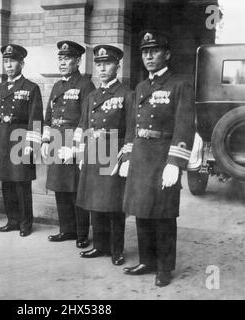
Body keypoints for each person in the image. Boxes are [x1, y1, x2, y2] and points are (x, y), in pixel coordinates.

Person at [120, 30, 195, 287]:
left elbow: (185, 126)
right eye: (145, 52)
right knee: (142, 210)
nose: (149, 56)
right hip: (141, 154)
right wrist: (128, 155)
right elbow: (132, 126)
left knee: (163, 214)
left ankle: (164, 267)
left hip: (164, 155)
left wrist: (175, 163)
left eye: (154, 51)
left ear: (167, 54)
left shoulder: (180, 84)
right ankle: (146, 261)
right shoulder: (141, 87)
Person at [75, 45, 133, 266]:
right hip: (93, 150)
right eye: (98, 64)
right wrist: (81, 152)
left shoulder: (126, 94)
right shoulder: (92, 96)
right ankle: (99, 245)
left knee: (114, 204)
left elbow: (131, 129)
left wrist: (126, 157)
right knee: (94, 201)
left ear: (117, 66)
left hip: (112, 150)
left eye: (107, 64)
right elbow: (83, 124)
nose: (102, 68)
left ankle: (116, 250)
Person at [41, 40, 95, 248]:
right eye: (60, 59)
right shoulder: (57, 86)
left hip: (73, 141)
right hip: (55, 139)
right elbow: (48, 116)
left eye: (67, 59)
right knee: (60, 188)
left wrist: (75, 146)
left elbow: (87, 118)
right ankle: (66, 230)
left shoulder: (85, 84)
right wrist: (46, 139)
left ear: (78, 61)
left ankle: (82, 233)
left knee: (75, 189)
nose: (62, 63)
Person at [0, 44, 43, 237]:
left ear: (22, 63)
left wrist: (32, 145)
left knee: (22, 184)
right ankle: (12, 220)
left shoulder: (31, 88)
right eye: (6, 61)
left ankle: (26, 224)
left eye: (13, 61)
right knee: (7, 183)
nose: (9, 65)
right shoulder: (0, 88)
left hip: (20, 140)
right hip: (3, 139)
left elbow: (36, 119)